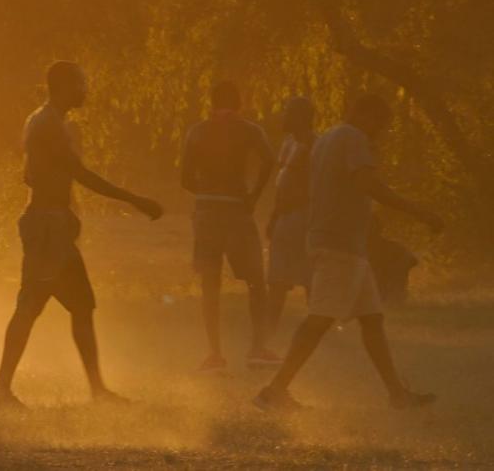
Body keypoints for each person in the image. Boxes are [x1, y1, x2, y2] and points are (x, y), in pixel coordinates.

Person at [0, 61, 162, 408]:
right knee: (31, 307)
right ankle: (1, 392)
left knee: (78, 305)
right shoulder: (48, 124)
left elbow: (30, 176)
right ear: (65, 86)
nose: (85, 90)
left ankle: (93, 390)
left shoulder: (44, 121)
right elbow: (79, 174)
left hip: (51, 227)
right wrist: (134, 200)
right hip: (48, 229)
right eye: (81, 83)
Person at [255, 93, 443, 411]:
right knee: (319, 318)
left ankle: (397, 393)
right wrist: (418, 211)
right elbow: (366, 183)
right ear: (368, 117)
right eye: (381, 126)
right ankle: (274, 391)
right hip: (339, 244)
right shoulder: (355, 138)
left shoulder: (329, 136)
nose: (380, 134)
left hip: (344, 244)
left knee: (372, 319)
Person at [181, 81, 280, 371]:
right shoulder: (249, 130)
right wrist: (253, 195)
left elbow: (185, 178)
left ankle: (214, 354)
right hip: (237, 209)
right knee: (255, 282)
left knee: (210, 282)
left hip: (207, 211)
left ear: (212, 103)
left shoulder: (197, 132)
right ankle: (258, 348)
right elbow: (269, 159)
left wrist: (206, 192)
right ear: (239, 103)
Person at [266, 97, 316, 338]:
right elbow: (282, 182)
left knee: (310, 277)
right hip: (285, 216)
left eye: (288, 113)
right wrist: (275, 215)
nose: (282, 117)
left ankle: (317, 329)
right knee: (277, 278)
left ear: (301, 117)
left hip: (305, 216)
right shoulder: (289, 142)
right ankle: (269, 331)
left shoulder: (314, 144)